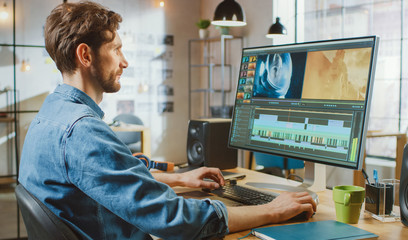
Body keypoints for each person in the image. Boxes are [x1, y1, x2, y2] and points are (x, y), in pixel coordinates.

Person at [18, 1, 316, 239]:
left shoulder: (51, 115)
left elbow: (113, 172)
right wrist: (273, 210)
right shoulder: (81, 131)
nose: (124, 61)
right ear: (85, 55)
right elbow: (172, 219)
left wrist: (177, 178)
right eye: (115, 49)